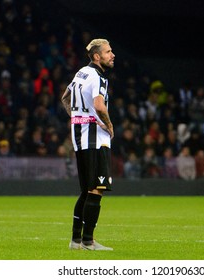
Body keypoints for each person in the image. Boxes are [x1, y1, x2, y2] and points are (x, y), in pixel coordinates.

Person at [61, 38, 115, 251]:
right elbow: (99, 105)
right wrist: (109, 125)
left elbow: (65, 97)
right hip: (95, 138)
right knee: (96, 189)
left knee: (86, 189)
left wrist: (77, 118)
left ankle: (76, 240)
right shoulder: (98, 77)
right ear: (97, 56)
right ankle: (88, 241)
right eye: (108, 52)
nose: (112, 55)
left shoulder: (80, 73)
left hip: (79, 135)